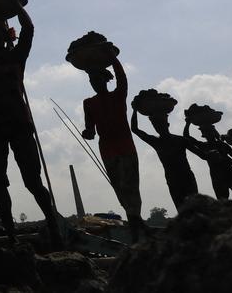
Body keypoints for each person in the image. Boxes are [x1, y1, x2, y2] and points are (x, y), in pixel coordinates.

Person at [0, 1, 61, 245]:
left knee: (33, 181)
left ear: (4, 32)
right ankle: (11, 236)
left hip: (19, 124)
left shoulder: (16, 55)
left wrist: (14, 5)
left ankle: (54, 226)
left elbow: (29, 28)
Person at [81, 58, 146, 241]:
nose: (95, 84)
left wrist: (112, 58)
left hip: (125, 147)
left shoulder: (118, 95)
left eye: (98, 80)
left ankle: (135, 226)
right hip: (107, 150)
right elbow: (90, 130)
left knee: (130, 186)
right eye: (92, 81)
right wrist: (87, 133)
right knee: (120, 189)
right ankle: (136, 223)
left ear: (105, 80)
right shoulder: (89, 103)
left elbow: (122, 77)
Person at [130, 95, 199, 211]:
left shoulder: (180, 140)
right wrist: (135, 110)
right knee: (182, 209)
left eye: (160, 123)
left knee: (195, 208)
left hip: (187, 178)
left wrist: (211, 154)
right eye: (155, 125)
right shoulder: (156, 142)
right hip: (173, 180)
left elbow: (201, 154)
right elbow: (135, 129)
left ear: (167, 124)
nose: (158, 127)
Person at [183, 114, 232, 200]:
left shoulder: (220, 145)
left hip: (227, 173)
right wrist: (187, 124)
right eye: (206, 132)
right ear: (204, 135)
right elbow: (187, 137)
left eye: (209, 131)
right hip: (218, 175)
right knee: (224, 199)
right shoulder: (205, 146)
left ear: (213, 133)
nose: (208, 134)